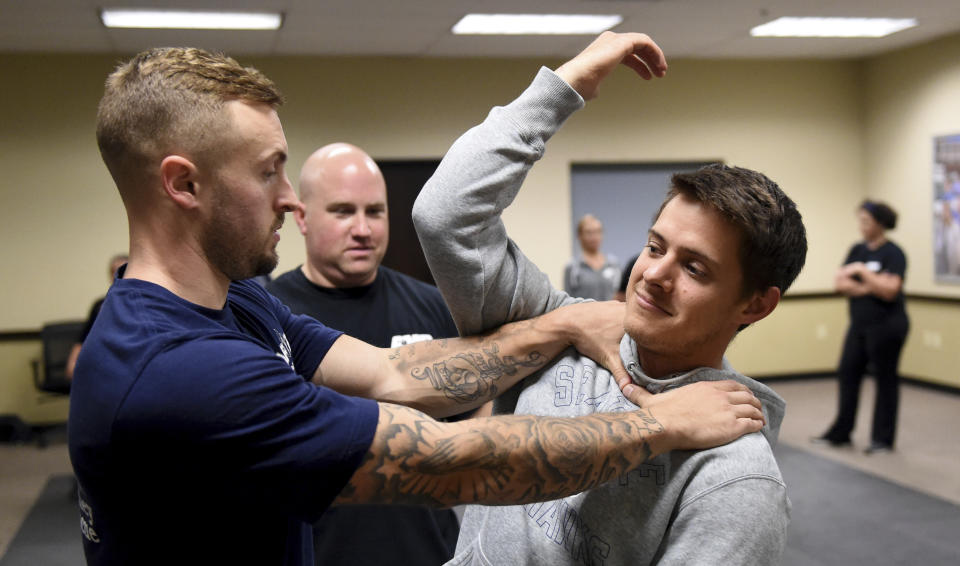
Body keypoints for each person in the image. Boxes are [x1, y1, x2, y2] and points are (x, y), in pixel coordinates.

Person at [69, 45, 767, 566]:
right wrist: (659, 426)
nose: (289, 199)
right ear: (183, 186)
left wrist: (562, 322)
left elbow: (392, 374)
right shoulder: (174, 371)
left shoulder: (239, 300)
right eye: (267, 172)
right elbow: (447, 460)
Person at [413, 31, 807, 564]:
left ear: (755, 304)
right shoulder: (557, 327)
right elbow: (445, 218)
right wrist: (566, 84)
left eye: (694, 267)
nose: (653, 275)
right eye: (654, 246)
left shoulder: (736, 478)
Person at [267, 143, 466, 565]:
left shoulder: (434, 305)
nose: (363, 229)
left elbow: (478, 421)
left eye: (374, 212)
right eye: (343, 211)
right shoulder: (267, 315)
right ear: (301, 218)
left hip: (429, 552)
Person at [815, 200, 908, 454]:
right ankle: (841, 432)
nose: (862, 226)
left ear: (880, 224)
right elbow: (839, 283)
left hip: (888, 326)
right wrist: (872, 284)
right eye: (861, 220)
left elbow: (890, 291)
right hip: (859, 325)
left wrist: (861, 272)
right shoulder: (857, 249)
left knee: (885, 379)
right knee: (847, 373)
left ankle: (883, 439)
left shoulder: (893, 253)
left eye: (867, 221)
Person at [65, 253, 128, 380]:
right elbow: (83, 339)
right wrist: (72, 364)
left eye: (122, 271)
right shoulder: (100, 306)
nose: (117, 275)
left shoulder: (142, 304)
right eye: (113, 272)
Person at [564, 214, 621, 300]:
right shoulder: (573, 267)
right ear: (580, 236)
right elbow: (567, 301)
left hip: (610, 312)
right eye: (589, 232)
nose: (594, 237)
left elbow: (620, 295)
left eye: (598, 231)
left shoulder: (613, 264)